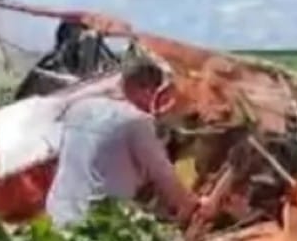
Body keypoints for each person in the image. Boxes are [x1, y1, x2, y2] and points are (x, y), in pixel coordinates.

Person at [44, 58, 201, 228]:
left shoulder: (81, 108)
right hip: (96, 223)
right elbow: (163, 175)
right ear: (148, 90)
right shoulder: (137, 120)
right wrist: (194, 205)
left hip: (58, 212)